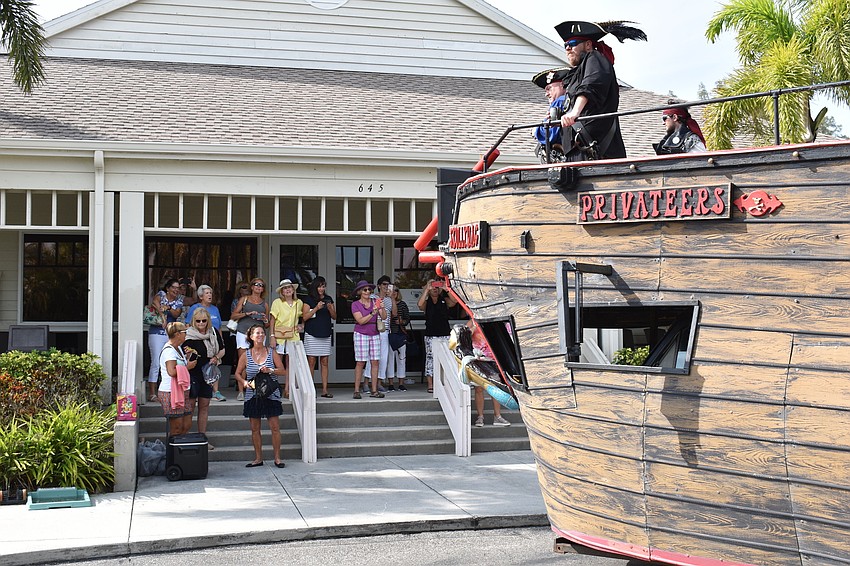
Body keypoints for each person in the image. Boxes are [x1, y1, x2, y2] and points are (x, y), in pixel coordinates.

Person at [556, 20, 647, 161]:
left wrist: (575, 112)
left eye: (573, 43)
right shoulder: (576, 73)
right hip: (578, 152)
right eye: (565, 45)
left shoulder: (595, 58)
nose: (568, 48)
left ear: (588, 45)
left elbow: (591, 85)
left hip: (596, 152)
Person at [235, 324, 286, 468]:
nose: (261, 335)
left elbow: (283, 371)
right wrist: (244, 383)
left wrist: (270, 370)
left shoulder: (271, 352)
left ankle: (277, 458)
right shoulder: (245, 355)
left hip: (271, 394)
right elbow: (237, 373)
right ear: (251, 337)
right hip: (253, 394)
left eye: (263, 333)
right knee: (255, 428)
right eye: (257, 333)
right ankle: (258, 458)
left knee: (275, 427)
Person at [183, 308, 226, 448]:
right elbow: (183, 354)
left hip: (207, 374)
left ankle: (202, 438)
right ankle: (185, 437)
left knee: (204, 407)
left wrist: (216, 357)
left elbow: (222, 349)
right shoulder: (188, 335)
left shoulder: (212, 332)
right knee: (190, 407)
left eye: (204, 320)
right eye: (198, 321)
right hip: (192, 373)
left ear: (208, 320)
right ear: (193, 321)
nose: (201, 323)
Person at [186, 284, 227, 401]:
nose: (210, 295)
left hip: (213, 340)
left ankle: (216, 391)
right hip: (198, 340)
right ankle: (199, 390)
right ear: (200, 296)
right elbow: (189, 324)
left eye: (211, 293)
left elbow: (218, 327)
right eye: (207, 293)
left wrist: (221, 340)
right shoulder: (195, 307)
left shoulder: (215, 309)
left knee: (214, 364)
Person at [231, 277, 269, 401]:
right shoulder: (244, 299)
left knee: (259, 362)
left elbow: (267, 324)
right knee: (243, 361)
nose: (259, 287)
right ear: (252, 287)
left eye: (261, 285)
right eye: (256, 284)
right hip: (243, 331)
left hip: (259, 334)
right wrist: (247, 313)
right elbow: (233, 315)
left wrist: (264, 319)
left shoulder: (265, 304)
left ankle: (256, 389)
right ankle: (241, 391)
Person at [147, 278, 183, 402]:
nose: (176, 290)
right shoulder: (161, 295)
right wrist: (162, 316)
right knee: (156, 363)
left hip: (170, 335)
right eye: (173, 287)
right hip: (156, 333)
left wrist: (167, 308)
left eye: (178, 288)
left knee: (171, 362)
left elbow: (176, 313)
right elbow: (154, 303)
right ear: (167, 288)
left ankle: (167, 391)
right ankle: (152, 393)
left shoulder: (178, 301)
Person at [418, 279, 458, 394]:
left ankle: (446, 382)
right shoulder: (427, 302)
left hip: (445, 334)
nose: (434, 289)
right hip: (431, 334)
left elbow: (454, 301)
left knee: (447, 358)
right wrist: (426, 290)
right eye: (433, 286)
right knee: (430, 359)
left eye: (437, 286)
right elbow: (420, 305)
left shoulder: (444, 300)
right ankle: (431, 384)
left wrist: (447, 289)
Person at [157, 321, 196, 436]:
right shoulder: (169, 351)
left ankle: (180, 449)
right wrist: (187, 367)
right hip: (171, 392)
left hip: (182, 390)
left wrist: (187, 359)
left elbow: (179, 366)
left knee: (187, 423)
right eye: (185, 332)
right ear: (178, 334)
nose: (186, 335)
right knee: (176, 427)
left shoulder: (178, 348)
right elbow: (172, 371)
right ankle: (173, 452)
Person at [351, 280, 386, 399]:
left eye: (369, 289)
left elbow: (384, 316)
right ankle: (356, 390)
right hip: (361, 333)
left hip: (375, 333)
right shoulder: (355, 304)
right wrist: (372, 313)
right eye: (364, 289)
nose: (367, 291)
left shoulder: (375, 301)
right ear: (359, 291)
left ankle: (374, 390)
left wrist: (381, 307)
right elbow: (360, 321)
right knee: (360, 362)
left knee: (375, 361)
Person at [301, 277, 336, 398]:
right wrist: (316, 308)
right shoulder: (308, 299)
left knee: (324, 361)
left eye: (323, 286)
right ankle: (311, 389)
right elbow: (304, 317)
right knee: (311, 361)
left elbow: (335, 317)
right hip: (312, 333)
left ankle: (325, 390)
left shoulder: (328, 298)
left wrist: (331, 309)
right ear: (315, 287)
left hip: (325, 332)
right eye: (319, 286)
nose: (321, 289)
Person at [269, 279, 303, 399]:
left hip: (293, 335)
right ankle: (273, 387)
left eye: (289, 287)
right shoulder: (277, 302)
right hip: (279, 335)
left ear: (293, 290)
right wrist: (272, 336)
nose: (287, 290)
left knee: (291, 363)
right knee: (277, 363)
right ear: (282, 292)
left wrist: (301, 325)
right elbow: (272, 321)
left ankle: (287, 389)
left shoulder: (299, 302)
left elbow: (302, 317)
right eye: (285, 288)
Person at [531, 66, 570, 163]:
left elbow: (551, 134)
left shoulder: (560, 101)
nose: (546, 94)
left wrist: (536, 131)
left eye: (549, 88)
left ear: (562, 85)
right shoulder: (572, 100)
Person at [363, 275, 392, 393]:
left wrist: (392, 298)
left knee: (383, 358)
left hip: (384, 330)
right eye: (384, 284)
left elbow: (393, 313)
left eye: (388, 284)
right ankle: (366, 383)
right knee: (372, 357)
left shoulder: (389, 300)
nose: (386, 286)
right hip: (374, 329)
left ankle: (379, 382)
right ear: (379, 286)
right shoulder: (372, 297)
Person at [387, 286, 409, 392]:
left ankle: (401, 383)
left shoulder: (403, 304)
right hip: (389, 334)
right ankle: (390, 383)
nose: (394, 292)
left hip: (400, 334)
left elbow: (407, 319)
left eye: (396, 290)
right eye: (392, 290)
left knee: (401, 359)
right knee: (390, 360)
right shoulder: (386, 303)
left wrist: (401, 322)